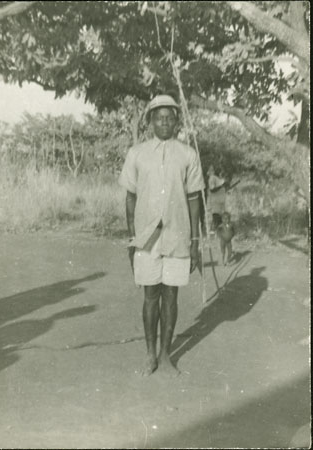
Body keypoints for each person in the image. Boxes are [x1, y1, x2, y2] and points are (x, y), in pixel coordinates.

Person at [119, 94, 205, 377]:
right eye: (159, 117)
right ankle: (149, 355)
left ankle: (167, 355)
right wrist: (133, 239)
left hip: (178, 236)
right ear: (150, 121)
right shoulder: (137, 153)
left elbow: (194, 200)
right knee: (150, 295)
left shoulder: (188, 154)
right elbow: (130, 199)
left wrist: (194, 242)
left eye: (169, 118)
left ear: (176, 121)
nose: (164, 122)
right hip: (147, 237)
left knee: (171, 296)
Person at [207, 165, 227, 232]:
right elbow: (212, 189)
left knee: (220, 217)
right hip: (215, 201)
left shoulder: (217, 178)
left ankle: (218, 231)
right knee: (216, 216)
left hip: (220, 201)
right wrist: (221, 186)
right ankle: (213, 230)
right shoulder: (212, 178)